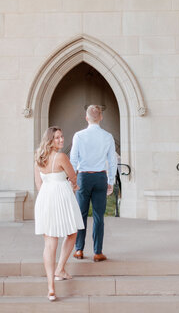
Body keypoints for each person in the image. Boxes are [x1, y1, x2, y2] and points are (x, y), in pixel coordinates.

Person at [34, 126, 84, 301]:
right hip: (61, 197)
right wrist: (73, 185)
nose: (61, 140)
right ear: (50, 140)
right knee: (71, 233)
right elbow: (73, 176)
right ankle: (59, 269)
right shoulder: (61, 157)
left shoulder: (39, 158)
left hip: (45, 199)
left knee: (50, 242)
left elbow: (38, 184)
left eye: (62, 137)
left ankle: (51, 286)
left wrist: (46, 196)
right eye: (57, 138)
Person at [70, 104, 117, 262]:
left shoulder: (79, 136)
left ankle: (78, 250)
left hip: (83, 177)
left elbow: (73, 159)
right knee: (98, 216)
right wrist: (111, 180)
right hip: (100, 177)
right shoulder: (107, 136)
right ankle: (98, 252)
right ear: (101, 117)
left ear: (86, 118)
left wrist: (72, 179)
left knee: (81, 215)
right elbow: (112, 161)